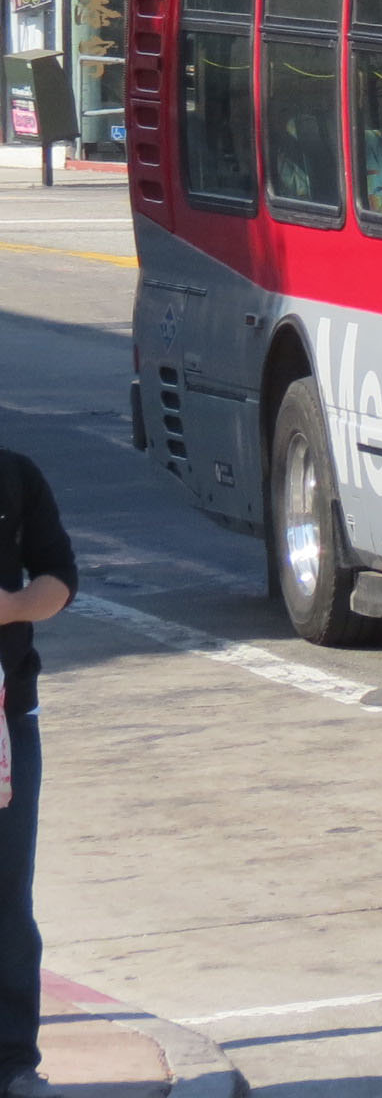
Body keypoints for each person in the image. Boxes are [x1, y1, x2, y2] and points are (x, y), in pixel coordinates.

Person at [0, 447, 76, 1098]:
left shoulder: (16, 476)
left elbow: (59, 580)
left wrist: (13, 606)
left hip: (5, 720)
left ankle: (13, 1062)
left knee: (7, 899)